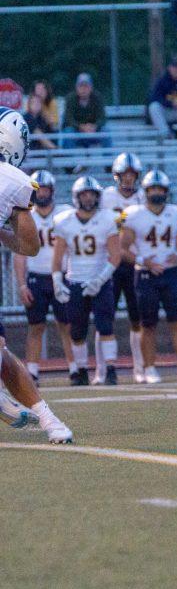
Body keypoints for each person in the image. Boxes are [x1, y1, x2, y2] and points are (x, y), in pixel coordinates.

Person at [0, 111, 74, 442]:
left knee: (0, 352)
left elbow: (30, 245)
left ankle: (47, 418)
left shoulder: (14, 181)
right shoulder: (14, 179)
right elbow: (29, 245)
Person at [119, 170, 177, 382]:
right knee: (147, 324)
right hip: (145, 275)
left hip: (170, 274)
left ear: (167, 191)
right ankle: (149, 368)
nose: (157, 192)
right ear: (146, 191)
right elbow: (123, 250)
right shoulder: (133, 215)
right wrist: (144, 261)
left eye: (160, 189)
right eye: (153, 189)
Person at [52, 176, 121, 385]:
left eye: (92, 194)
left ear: (98, 197)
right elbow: (58, 257)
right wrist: (57, 281)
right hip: (76, 282)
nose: (88, 198)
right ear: (77, 196)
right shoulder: (64, 221)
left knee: (105, 326)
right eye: (84, 194)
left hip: (100, 281)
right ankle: (81, 370)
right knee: (77, 330)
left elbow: (115, 256)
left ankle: (110, 369)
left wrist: (100, 280)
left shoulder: (107, 219)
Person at [14, 170, 72, 385]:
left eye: (45, 189)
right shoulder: (26, 216)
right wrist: (21, 285)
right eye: (37, 189)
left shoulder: (65, 213)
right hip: (36, 277)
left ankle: (75, 369)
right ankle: (32, 372)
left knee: (66, 325)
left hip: (61, 276)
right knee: (36, 326)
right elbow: (19, 253)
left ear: (52, 190)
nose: (41, 193)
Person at [102, 153, 146, 381]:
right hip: (110, 261)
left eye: (132, 175)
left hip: (134, 262)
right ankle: (103, 370)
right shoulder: (105, 197)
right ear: (117, 176)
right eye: (125, 175)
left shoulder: (143, 197)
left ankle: (139, 368)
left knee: (136, 316)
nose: (128, 180)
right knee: (105, 316)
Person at [63, 73, 108, 148]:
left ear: (91, 88)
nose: (83, 89)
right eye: (81, 86)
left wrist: (94, 126)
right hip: (76, 132)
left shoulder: (98, 98)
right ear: (76, 88)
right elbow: (68, 119)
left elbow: (102, 118)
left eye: (86, 86)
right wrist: (81, 127)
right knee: (68, 131)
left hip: (93, 131)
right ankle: (69, 159)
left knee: (106, 131)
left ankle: (108, 158)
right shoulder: (70, 99)